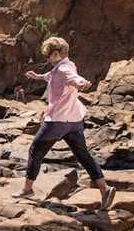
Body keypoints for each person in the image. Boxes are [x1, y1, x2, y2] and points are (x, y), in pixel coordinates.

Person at [20, 36, 116, 209]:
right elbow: (52, 75)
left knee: (35, 149)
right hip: (74, 120)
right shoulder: (64, 65)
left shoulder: (64, 69)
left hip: (58, 120)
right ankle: (104, 189)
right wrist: (38, 76)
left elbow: (74, 78)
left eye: (48, 55)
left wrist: (82, 83)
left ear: (55, 53)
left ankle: (27, 189)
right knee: (83, 155)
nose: (47, 59)